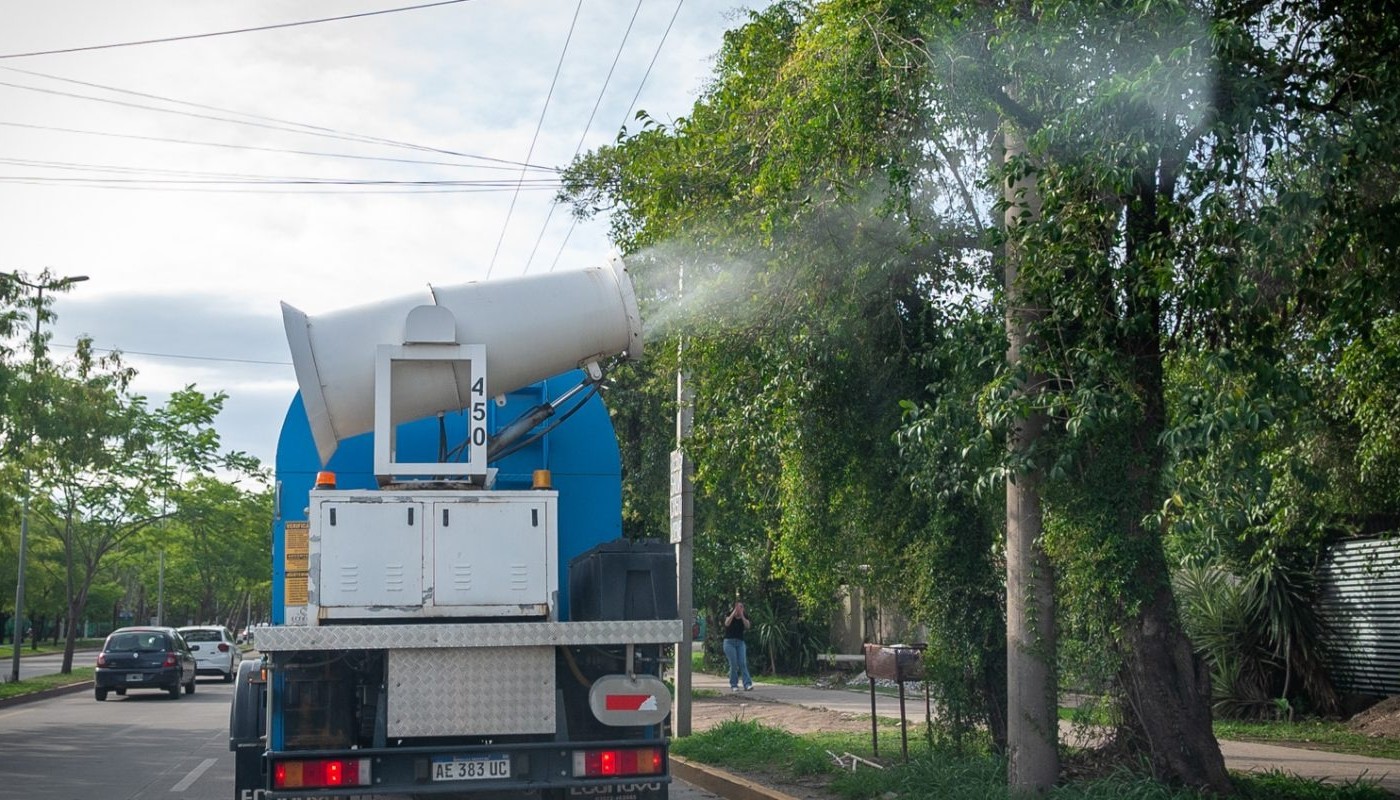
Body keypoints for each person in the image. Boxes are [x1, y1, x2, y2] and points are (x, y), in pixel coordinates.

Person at [722, 601, 753, 691]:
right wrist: (733, 614)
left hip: (740, 643)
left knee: (742, 663)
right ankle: (734, 685)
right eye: (737, 607)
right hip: (729, 643)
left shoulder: (745, 616)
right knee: (733, 664)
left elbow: (748, 626)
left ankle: (747, 684)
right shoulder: (729, 614)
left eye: (741, 607)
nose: (739, 609)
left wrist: (742, 615)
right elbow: (727, 623)